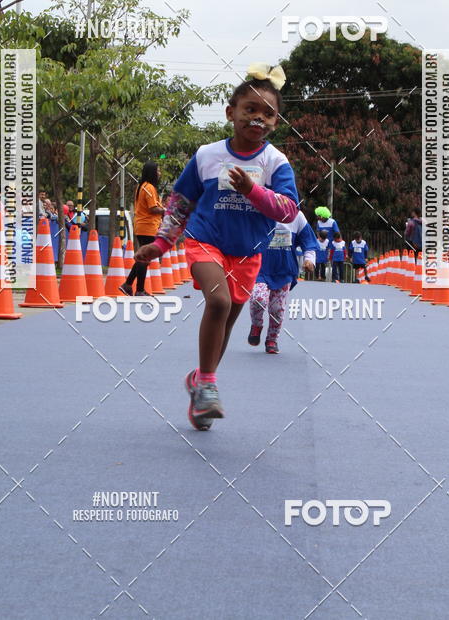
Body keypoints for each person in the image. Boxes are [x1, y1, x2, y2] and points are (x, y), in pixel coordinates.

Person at [133, 66, 299, 430]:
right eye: (250, 109)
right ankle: (209, 384)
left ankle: (200, 382)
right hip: (205, 241)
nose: (258, 118)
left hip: (248, 252)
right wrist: (161, 243)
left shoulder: (275, 162)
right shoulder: (207, 155)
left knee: (226, 321)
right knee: (219, 302)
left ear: (276, 122)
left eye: (268, 113)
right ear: (230, 112)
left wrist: (253, 191)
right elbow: (181, 203)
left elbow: (288, 210)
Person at [248, 211, 316, 353]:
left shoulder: (296, 215)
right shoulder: (257, 209)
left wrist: (309, 259)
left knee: (277, 309)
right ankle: (256, 325)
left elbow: (308, 240)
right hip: (260, 268)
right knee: (258, 298)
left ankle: (272, 339)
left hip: (284, 270)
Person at [120, 161, 165, 296]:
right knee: (144, 258)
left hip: (144, 226)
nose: (159, 173)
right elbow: (153, 209)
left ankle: (129, 285)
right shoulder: (149, 188)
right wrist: (165, 211)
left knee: (143, 258)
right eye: (157, 171)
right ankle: (138, 289)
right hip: (147, 226)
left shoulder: (142, 187)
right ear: (152, 172)